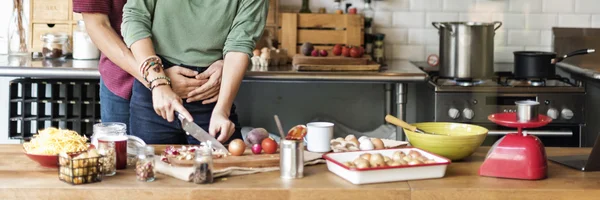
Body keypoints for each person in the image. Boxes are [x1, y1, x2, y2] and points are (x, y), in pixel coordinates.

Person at [122, 0, 269, 144]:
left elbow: (240, 44)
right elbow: (135, 17)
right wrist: (158, 82)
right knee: (149, 165)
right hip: (155, 86)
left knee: (223, 166)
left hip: (211, 92)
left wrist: (222, 110)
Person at [73, 0, 224, 134]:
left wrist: (227, 61)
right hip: (125, 80)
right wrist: (158, 80)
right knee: (129, 161)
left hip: (200, 84)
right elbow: (97, 25)